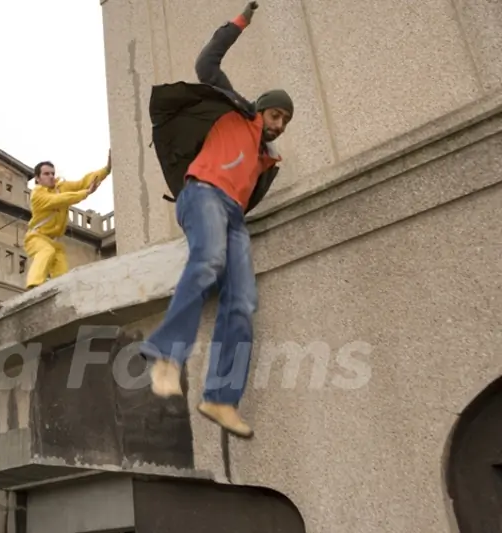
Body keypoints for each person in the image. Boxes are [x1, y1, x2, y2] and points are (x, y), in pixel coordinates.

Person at [141, 1, 294, 438]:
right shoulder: (239, 114)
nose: (279, 124)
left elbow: (247, 200)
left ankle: (220, 398)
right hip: (202, 193)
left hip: (233, 215)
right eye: (276, 115)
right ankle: (166, 356)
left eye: (285, 121)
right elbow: (206, 63)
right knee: (208, 261)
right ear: (261, 109)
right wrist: (240, 22)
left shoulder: (266, 159)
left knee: (243, 302)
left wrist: (267, 164)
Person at [24, 153, 111, 289]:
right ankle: (33, 285)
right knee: (46, 252)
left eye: (52, 173)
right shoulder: (37, 195)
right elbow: (60, 200)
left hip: (55, 242)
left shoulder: (61, 187)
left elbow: (82, 183)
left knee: (62, 272)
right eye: (46, 174)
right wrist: (86, 193)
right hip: (36, 238)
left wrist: (106, 170)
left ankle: (61, 290)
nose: (51, 176)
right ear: (37, 178)